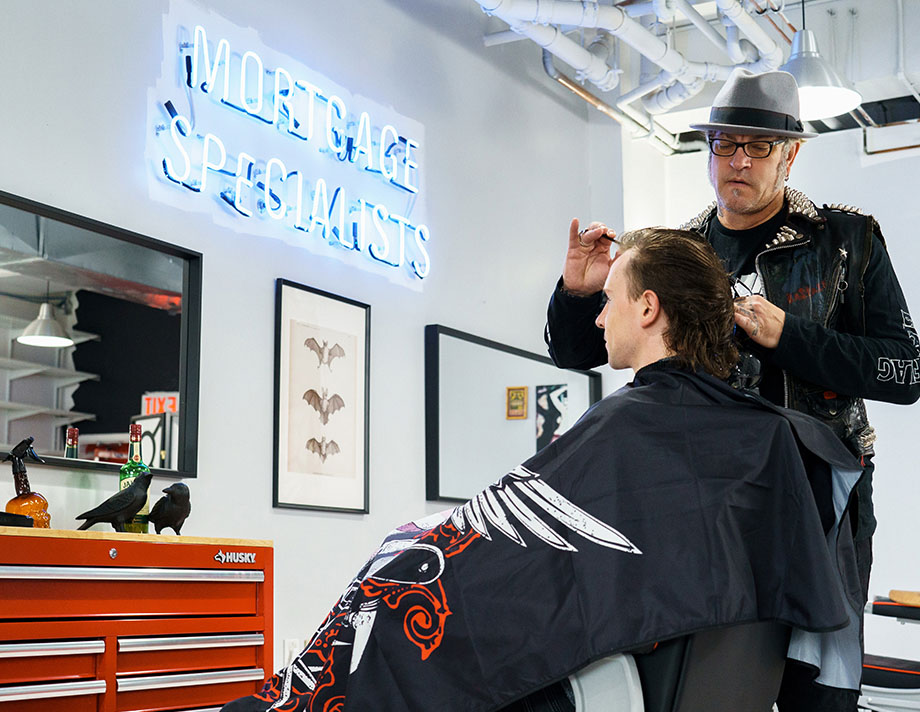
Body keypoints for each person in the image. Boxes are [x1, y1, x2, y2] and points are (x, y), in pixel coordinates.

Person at [223, 229, 862, 712]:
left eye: (608, 301)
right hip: (681, 674)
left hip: (610, 680)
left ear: (647, 308)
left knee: (388, 603)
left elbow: (523, 540)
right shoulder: (758, 434)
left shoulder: (634, 422)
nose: (599, 317)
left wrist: (417, 546)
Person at [545, 68, 920, 711]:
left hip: (819, 507)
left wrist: (792, 338)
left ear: (791, 153)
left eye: (759, 146)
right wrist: (580, 294)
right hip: (710, 513)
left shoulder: (847, 241)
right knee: (709, 689)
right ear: (708, 148)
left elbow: (907, 374)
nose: (738, 161)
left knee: (818, 694)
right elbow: (587, 350)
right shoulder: (680, 253)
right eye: (725, 144)